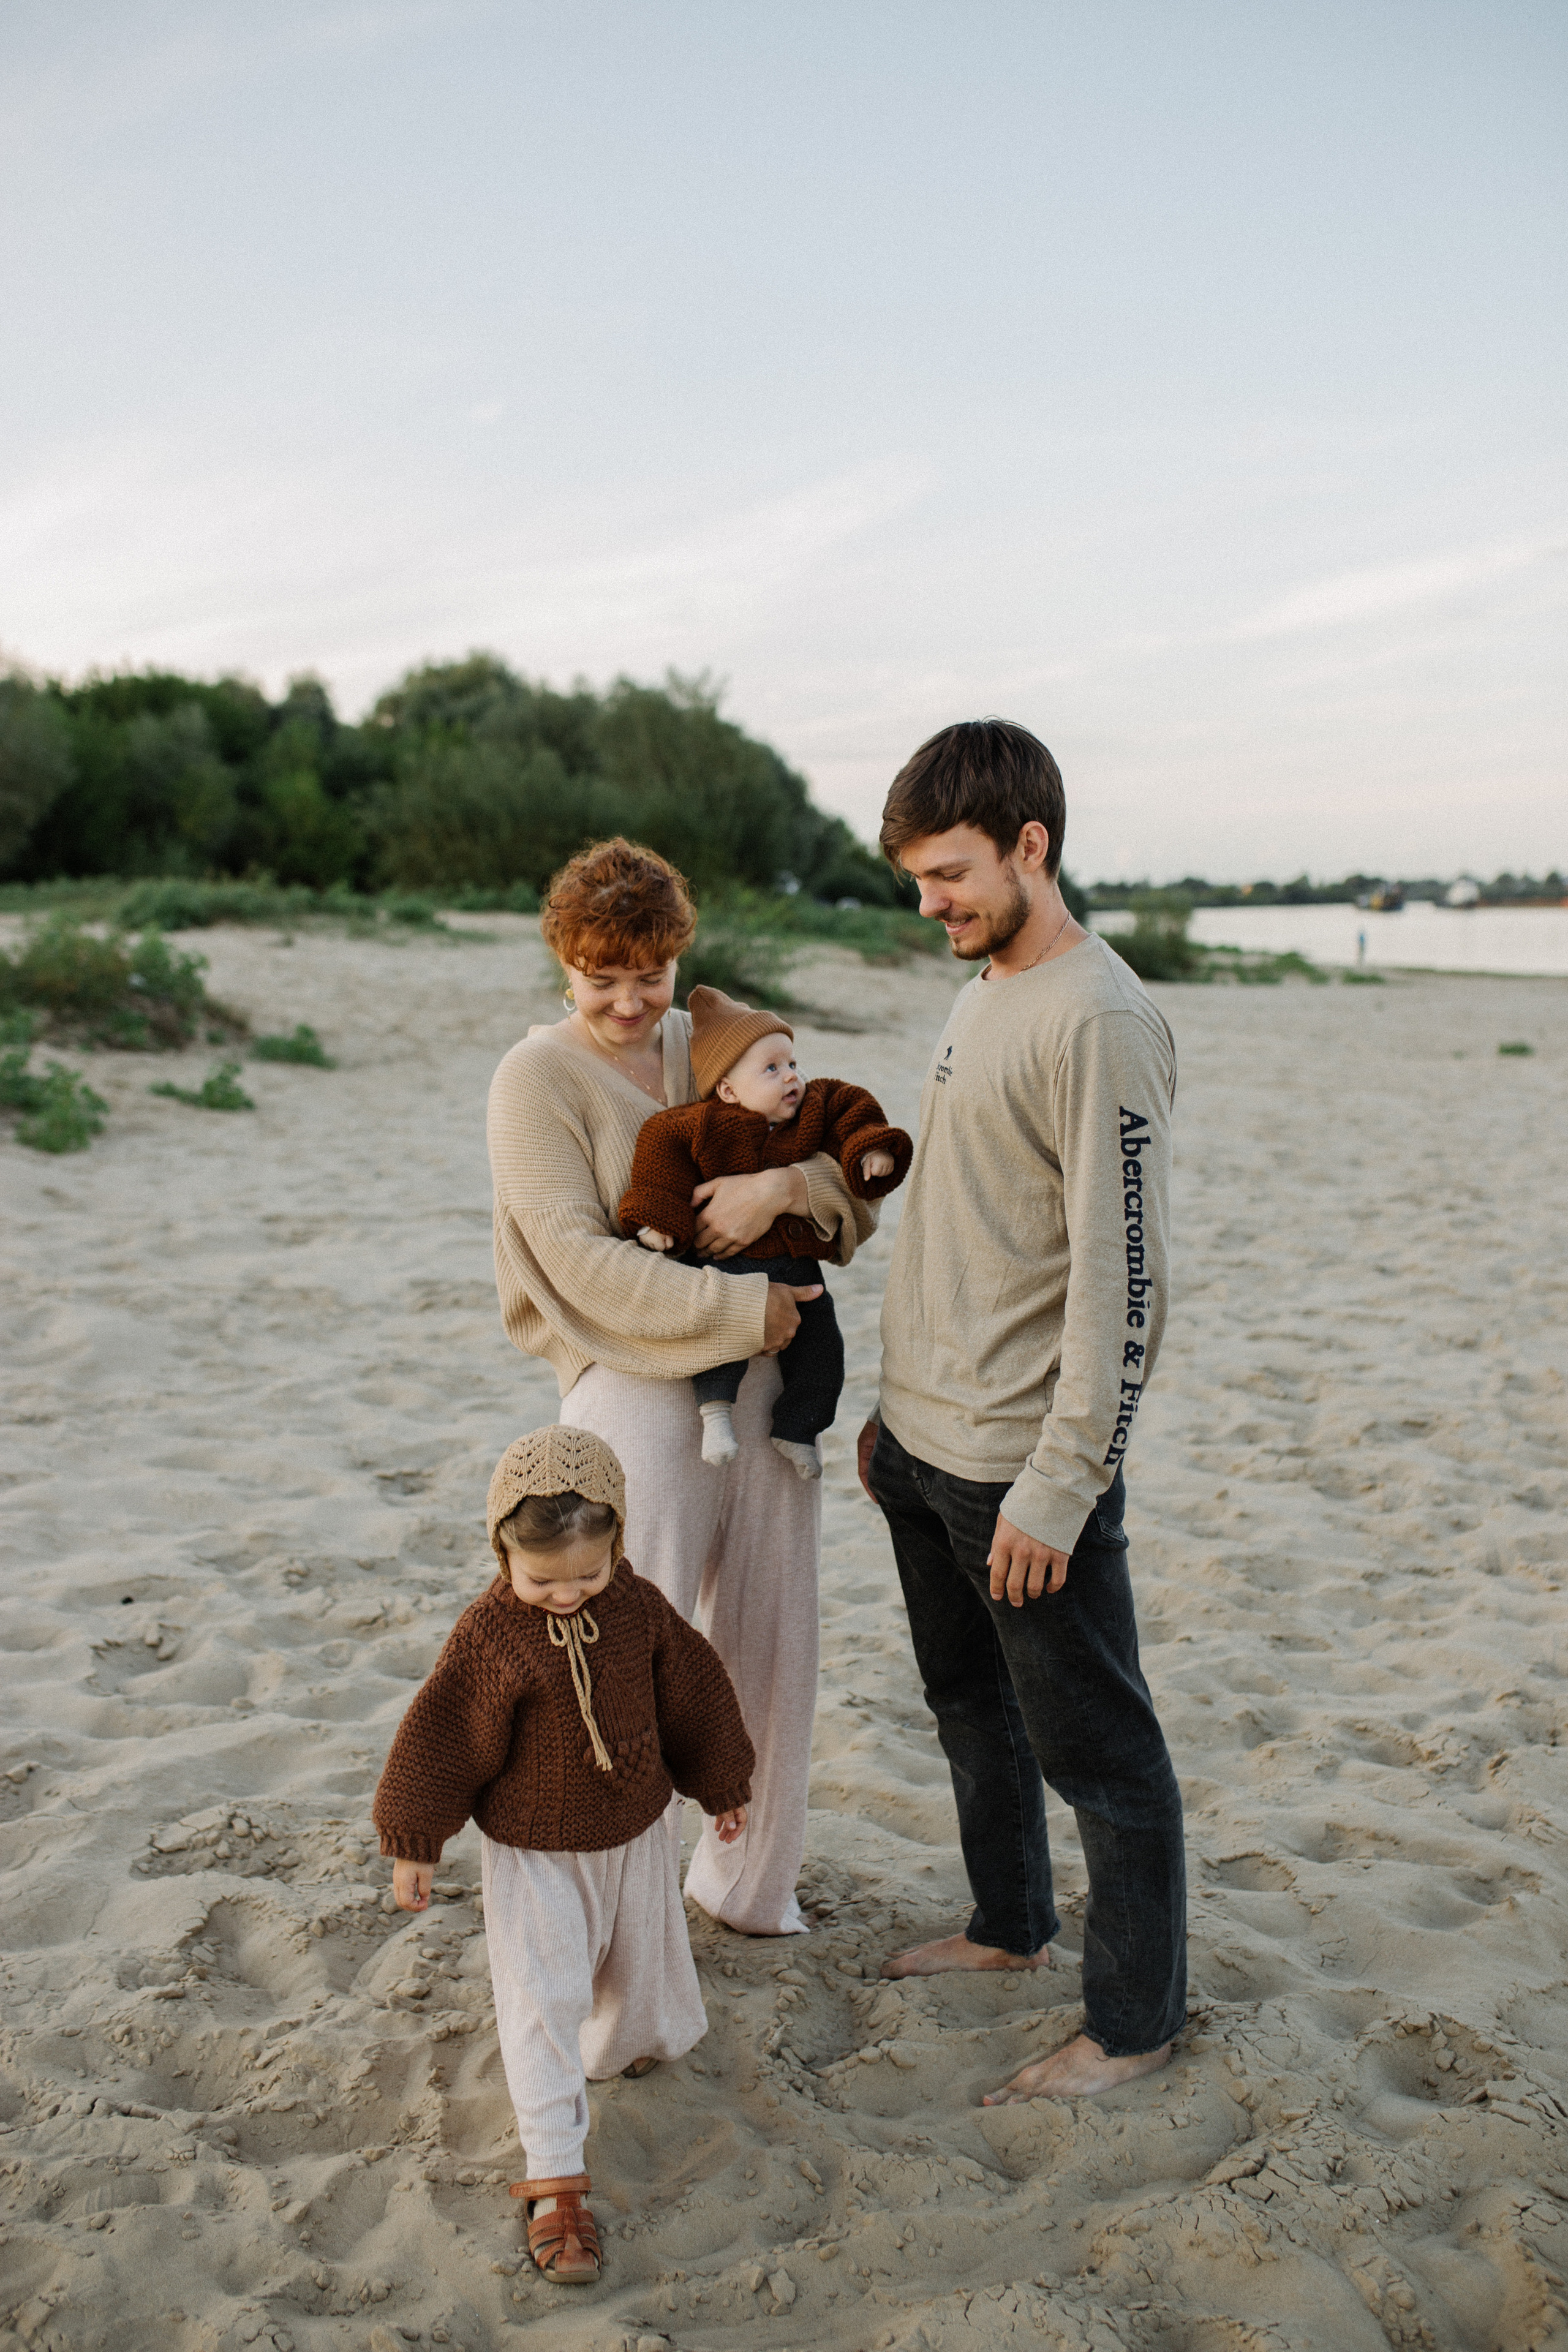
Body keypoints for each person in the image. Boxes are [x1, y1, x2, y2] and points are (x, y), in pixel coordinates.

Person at [857, 718, 1187, 2104]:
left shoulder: (1099, 1016)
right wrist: (888, 1419)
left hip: (1017, 1470)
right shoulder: (987, 980)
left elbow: (1127, 1283)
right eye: (917, 878)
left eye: (948, 874)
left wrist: (1059, 1484)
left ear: (1030, 847)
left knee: (1100, 1758)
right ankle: (1008, 1924)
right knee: (965, 1708)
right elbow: (959, 1207)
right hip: (922, 1444)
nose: (926, 902)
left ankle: (1128, 2024)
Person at [486, 837, 879, 1937]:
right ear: (563, 964)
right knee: (622, 1655)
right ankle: (609, 1911)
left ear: (678, 957)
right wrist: (738, 1312)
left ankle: (748, 1888)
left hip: (777, 1391)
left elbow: (847, 1191)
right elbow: (574, 1256)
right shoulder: (535, 1079)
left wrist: (781, 1190)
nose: (626, 1004)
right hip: (633, 1388)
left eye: (648, 977)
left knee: (773, 1640)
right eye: (600, 979)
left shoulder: (714, 1042)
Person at [373, 1425, 753, 2284]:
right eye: (542, 1579)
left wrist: (722, 1782)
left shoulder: (639, 1608)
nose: (567, 1595)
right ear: (501, 1552)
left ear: (619, 1545)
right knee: (544, 1997)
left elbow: (693, 1694)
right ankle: (556, 2183)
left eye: (590, 1573)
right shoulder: (490, 1635)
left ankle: (629, 2041)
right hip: (536, 1848)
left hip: (638, 1833)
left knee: (643, 1962)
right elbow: (444, 1737)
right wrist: (417, 1843)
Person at [618, 985, 911, 1474]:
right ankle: (716, 1416)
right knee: (722, 1336)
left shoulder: (814, 1106)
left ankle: (798, 1430)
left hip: (798, 1270)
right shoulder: (699, 1122)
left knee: (825, 1350)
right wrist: (658, 1218)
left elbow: (852, 1108)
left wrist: (869, 1149)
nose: (791, 1077)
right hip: (724, 1268)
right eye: (771, 1070)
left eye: (792, 1063)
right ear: (729, 1090)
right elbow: (658, 1153)